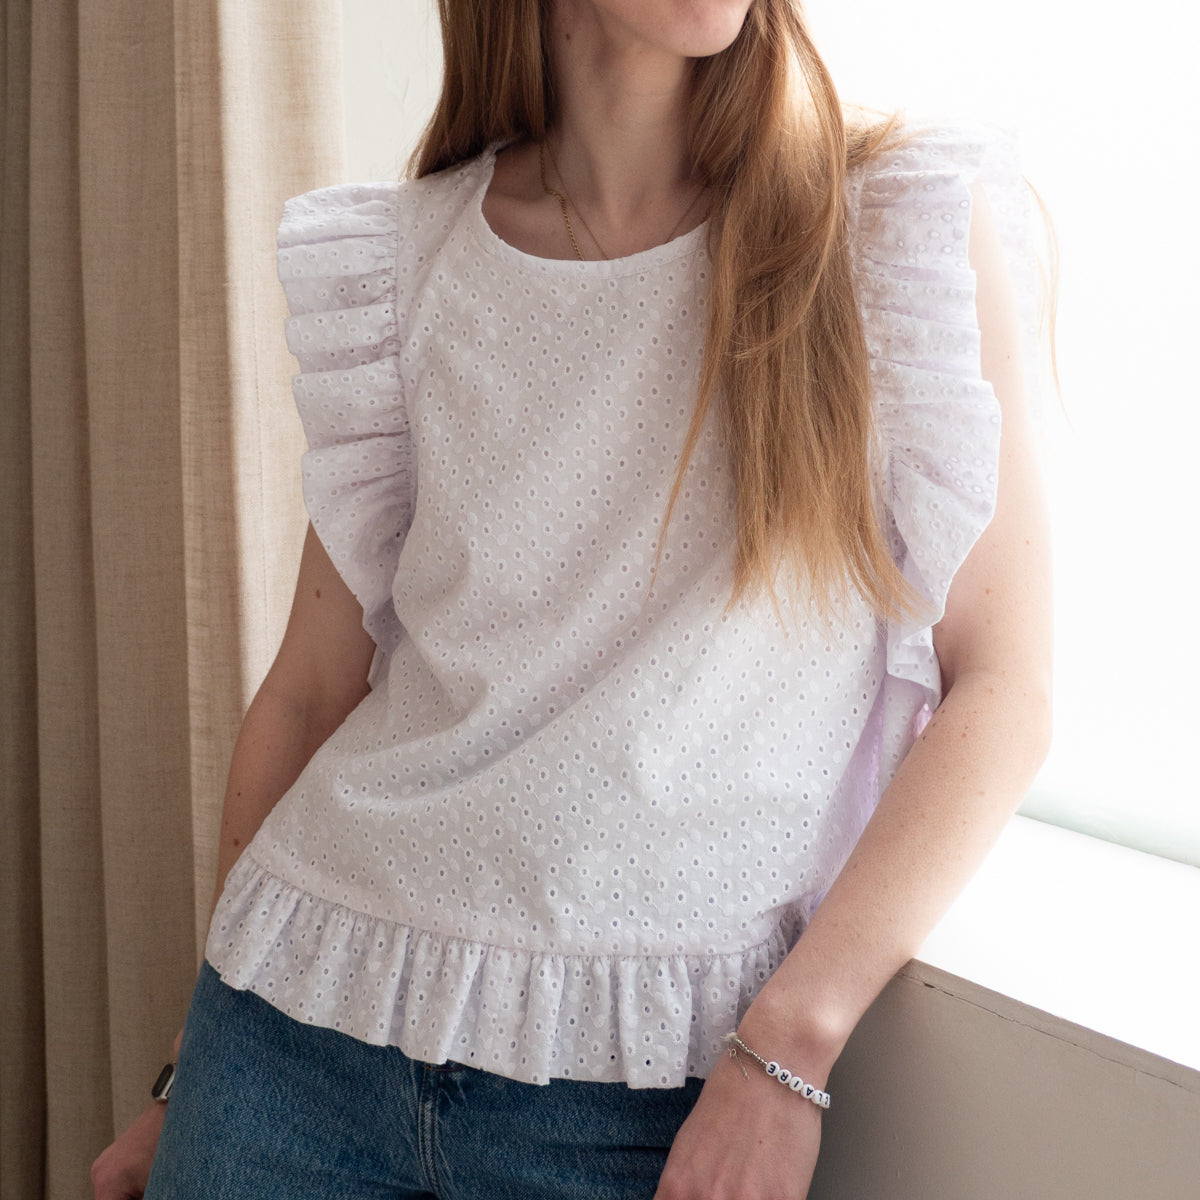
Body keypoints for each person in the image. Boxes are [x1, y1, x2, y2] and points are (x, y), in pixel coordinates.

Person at [91, 1, 1052, 1196]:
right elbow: (310, 689)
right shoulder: (410, 259)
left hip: (638, 1095)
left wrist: (790, 1050)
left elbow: (1004, 688)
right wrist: (193, 1065)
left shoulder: (885, 231)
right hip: (286, 1048)